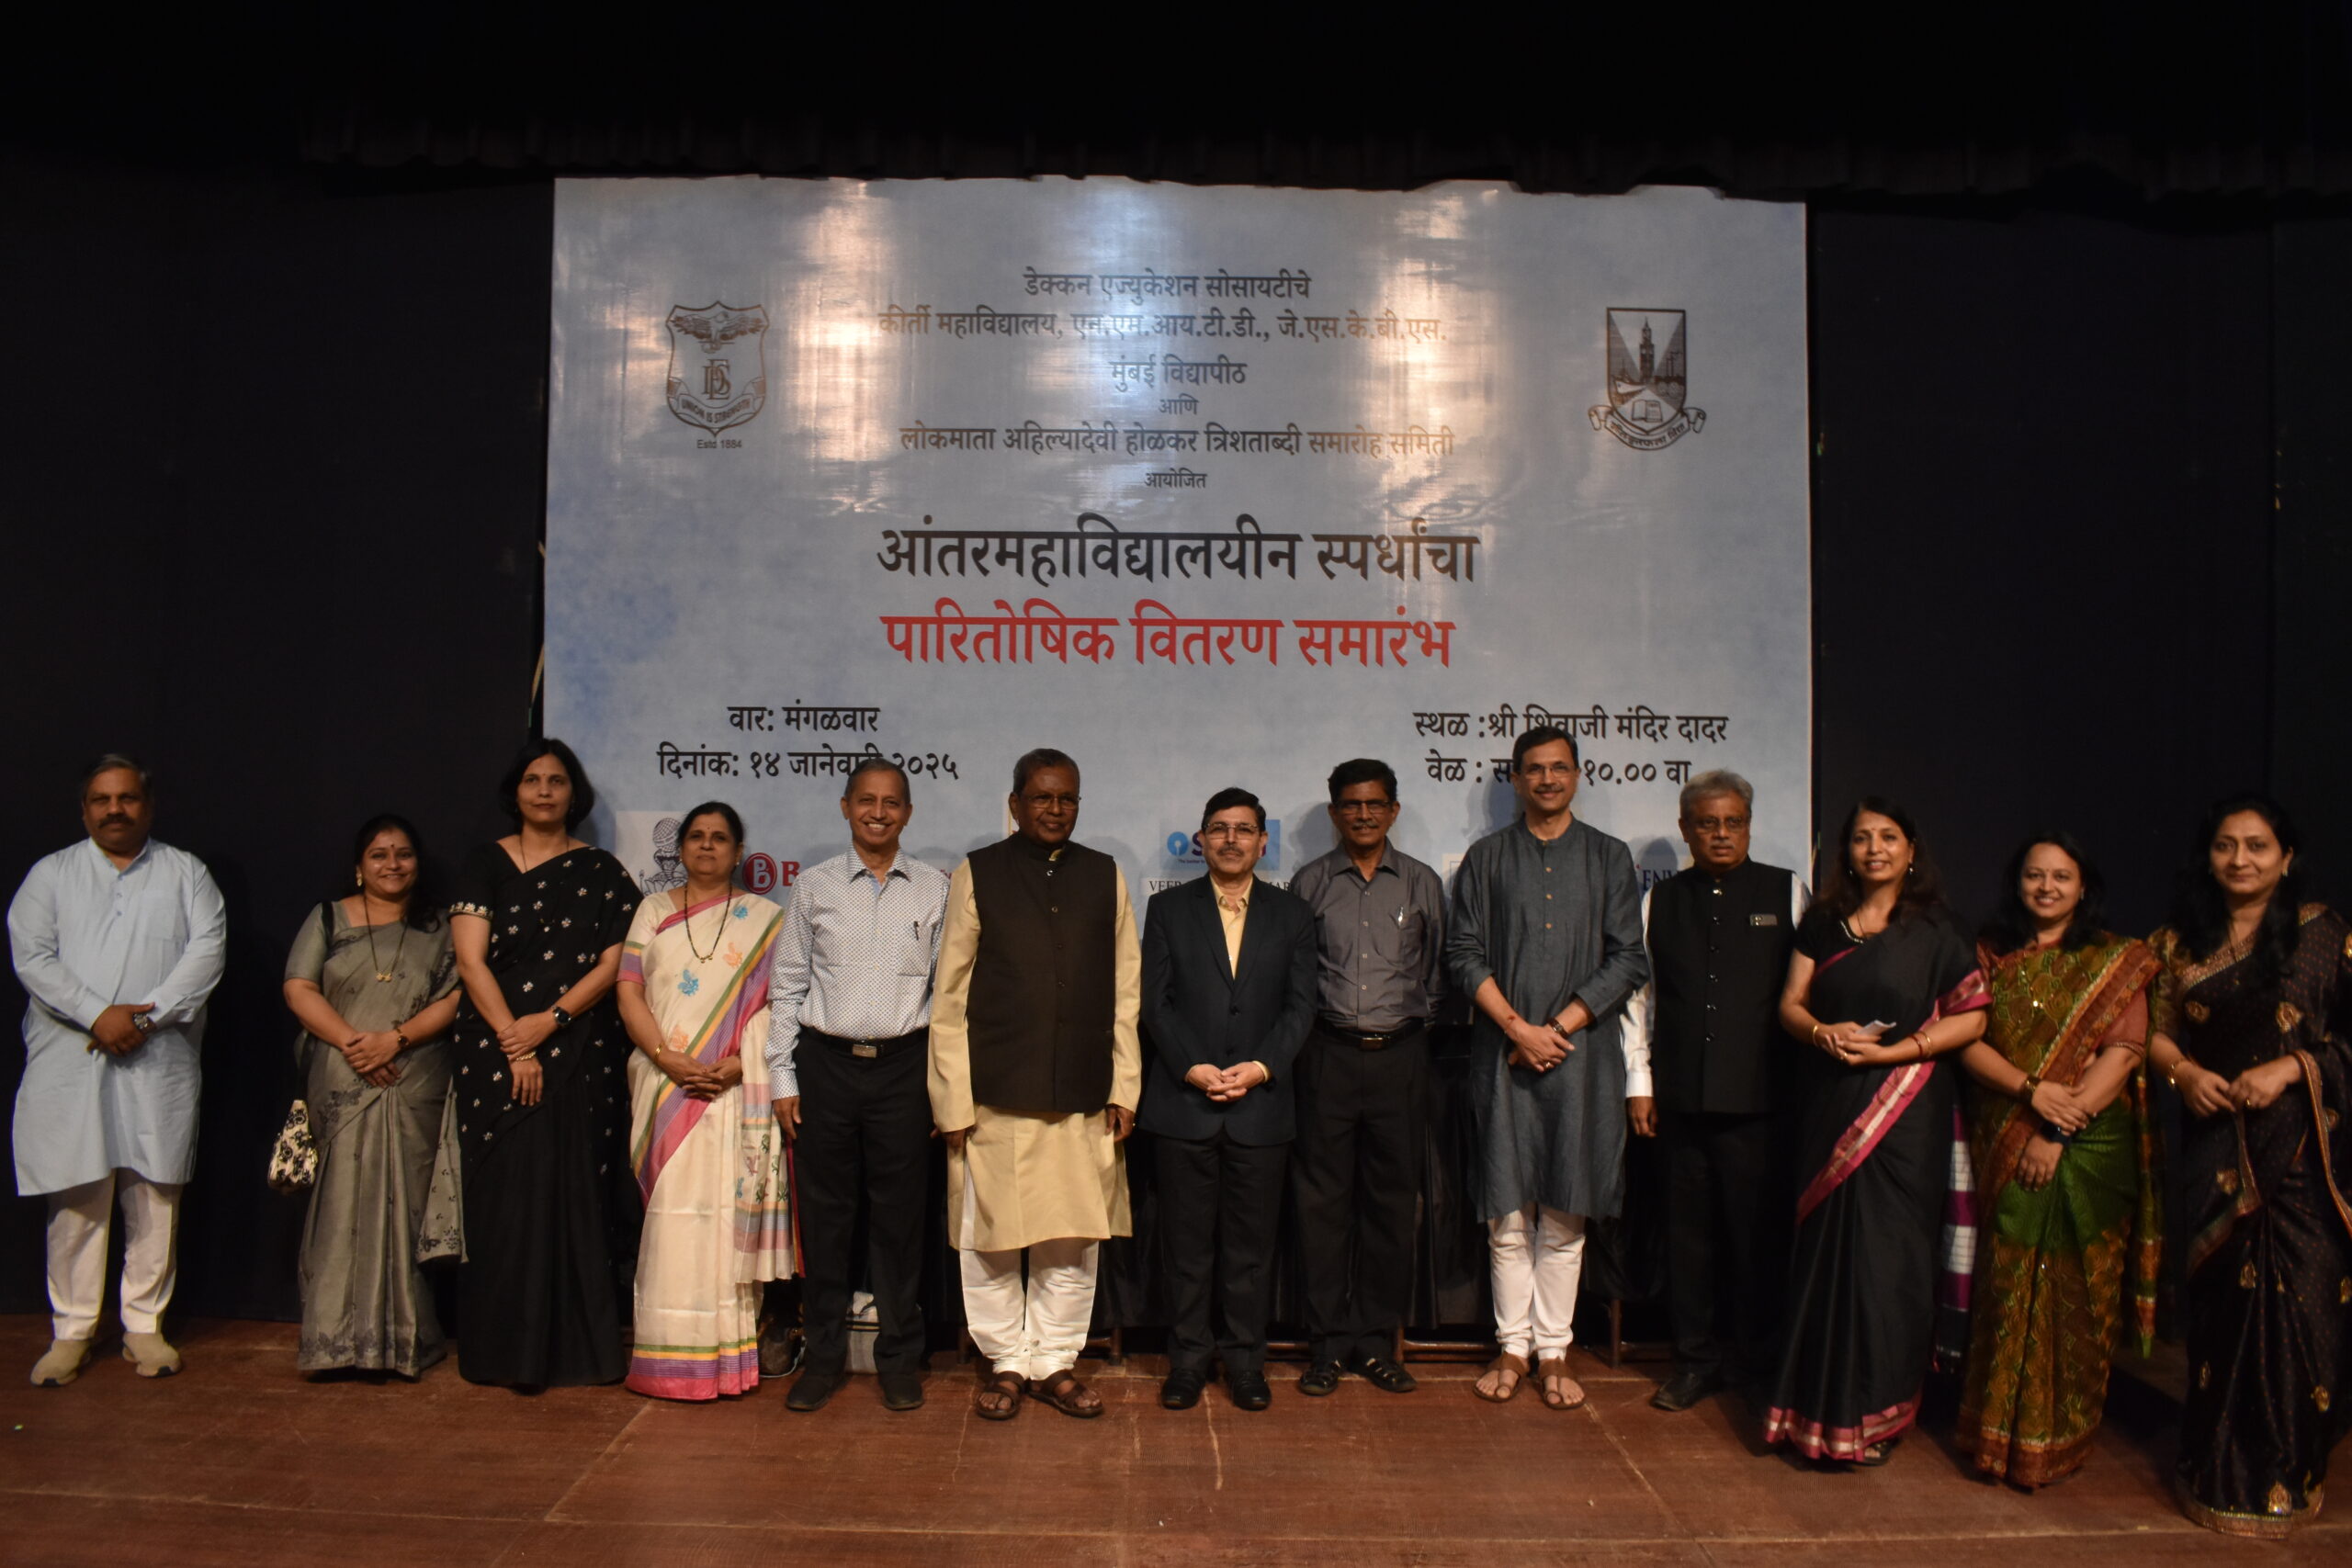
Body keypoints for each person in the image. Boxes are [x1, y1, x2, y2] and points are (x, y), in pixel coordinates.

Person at [2145, 796, 2350, 1537]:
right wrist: (2185, 1075)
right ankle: (2218, 1472)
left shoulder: (2325, 935)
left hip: (2303, 1153)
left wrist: (2293, 1068)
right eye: (2226, 845)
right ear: (2209, 857)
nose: (2241, 859)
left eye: (2258, 846)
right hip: (2217, 1147)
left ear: (2286, 858)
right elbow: (2155, 1035)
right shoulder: (2176, 943)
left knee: (2304, 1313)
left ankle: (2288, 1475)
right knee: (2224, 1317)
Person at [1768, 796, 1988, 1466]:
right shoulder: (1823, 922)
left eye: (1888, 837)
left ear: (1911, 849)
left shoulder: (1939, 930)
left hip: (1907, 1114)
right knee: (1826, 1257)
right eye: (1863, 838)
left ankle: (1877, 1414)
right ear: (1848, 851)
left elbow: (1972, 1017)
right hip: (1831, 1100)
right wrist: (1821, 1033)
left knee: (1891, 1263)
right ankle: (1813, 1413)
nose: (1875, 849)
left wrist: (1898, 1052)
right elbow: (1790, 1005)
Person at [929, 748, 1141, 1421]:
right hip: (994, 1093)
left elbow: (1126, 991)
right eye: (1042, 797)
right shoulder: (979, 872)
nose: (1055, 809)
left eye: (1067, 798)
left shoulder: (1104, 875)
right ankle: (1006, 1360)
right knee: (992, 1237)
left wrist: (1125, 1087)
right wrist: (951, 1099)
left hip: (1082, 1092)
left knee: (1071, 1238)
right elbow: (949, 997)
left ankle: (1054, 1361)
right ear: (1015, 803)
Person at [1447, 726, 1650, 1411]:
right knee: (1506, 1209)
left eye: (1559, 768)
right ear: (1516, 778)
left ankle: (1555, 1347)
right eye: (1534, 769)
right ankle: (1513, 1345)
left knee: (1566, 1204)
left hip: (1580, 1058)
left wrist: (1555, 1029)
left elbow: (1629, 958)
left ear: (1577, 775)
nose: (1547, 779)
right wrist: (1518, 1029)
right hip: (1502, 1054)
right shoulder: (1486, 858)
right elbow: (1462, 955)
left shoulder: (1608, 856)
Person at [1952, 830, 2159, 1488]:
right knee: (2008, 1285)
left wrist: (2057, 1132)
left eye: (2061, 877)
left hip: (2087, 1144)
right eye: (2035, 875)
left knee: (2077, 1293)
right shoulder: (1989, 954)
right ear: (2018, 882)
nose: (2046, 887)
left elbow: (2122, 1055)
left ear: (2083, 886)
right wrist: (2030, 1091)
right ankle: (1996, 1438)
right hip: (2006, 1129)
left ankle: (2058, 1438)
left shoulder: (2114, 960)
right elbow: (1966, 1041)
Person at [12, 756, 225, 1385]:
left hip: (158, 1058)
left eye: (127, 798)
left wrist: (143, 1020)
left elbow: (206, 954)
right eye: (102, 799)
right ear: (84, 810)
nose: (115, 810)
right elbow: (33, 956)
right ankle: (73, 1329)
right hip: (72, 1057)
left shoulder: (186, 873)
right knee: (77, 1195)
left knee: (154, 1192)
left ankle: (143, 1325)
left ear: (148, 806)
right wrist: (96, 1014)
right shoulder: (51, 875)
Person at [447, 739, 641, 1388]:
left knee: (575, 1192)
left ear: (573, 793)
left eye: (557, 780)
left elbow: (614, 963)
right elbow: (470, 960)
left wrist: (551, 1020)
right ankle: (504, 1352)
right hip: (495, 1052)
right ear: (516, 791)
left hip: (580, 1050)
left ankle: (579, 1353)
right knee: (508, 1199)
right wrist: (516, 1040)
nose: (544, 791)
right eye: (533, 780)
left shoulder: (602, 871)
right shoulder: (485, 863)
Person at [1621, 769, 1807, 1413]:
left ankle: (1757, 1364)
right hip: (1680, 1103)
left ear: (1748, 826)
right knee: (1687, 1243)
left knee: (1757, 1243)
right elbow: (1640, 1000)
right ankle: (1694, 1363)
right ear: (1685, 829)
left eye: (1733, 822)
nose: (1721, 833)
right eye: (1707, 823)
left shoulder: (1788, 892)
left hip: (1763, 1104)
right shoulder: (1660, 901)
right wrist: (1639, 1083)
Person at [766, 760, 950, 1414]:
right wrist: (782, 1075)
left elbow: (947, 998)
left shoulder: (936, 889)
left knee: (901, 1221)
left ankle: (899, 1358)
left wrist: (944, 1088)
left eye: (891, 802)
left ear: (908, 813)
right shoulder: (813, 887)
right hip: (826, 1067)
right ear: (845, 807)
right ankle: (822, 1360)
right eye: (866, 800)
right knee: (827, 1220)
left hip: (905, 1068)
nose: (878, 812)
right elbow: (787, 987)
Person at [1140, 787, 1317, 1412]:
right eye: (1219, 828)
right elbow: (1154, 1002)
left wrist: (1261, 1068)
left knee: (1251, 1252)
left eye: (1244, 829)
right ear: (1201, 840)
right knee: (1186, 1249)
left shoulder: (1293, 914)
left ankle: (1245, 1362)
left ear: (1263, 842)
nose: (1231, 839)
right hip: (1183, 1106)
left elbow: (1300, 1007)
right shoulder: (1167, 909)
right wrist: (1192, 1068)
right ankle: (1188, 1362)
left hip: (1260, 1109)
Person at [615, 800, 791, 1401]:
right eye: (696, 836)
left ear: (739, 852)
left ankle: (726, 1361)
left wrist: (739, 1064)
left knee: (723, 1222)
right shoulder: (652, 911)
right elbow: (629, 991)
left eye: (719, 837)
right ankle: (665, 1354)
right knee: (671, 1224)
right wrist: (665, 1057)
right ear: (681, 848)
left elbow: (781, 1007)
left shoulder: (767, 920)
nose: (707, 845)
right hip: (666, 1086)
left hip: (733, 1092)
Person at [281, 814, 462, 1378]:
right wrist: (354, 1042)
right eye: (379, 855)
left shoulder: (442, 926)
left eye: (403, 854)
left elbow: (459, 995)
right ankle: (333, 1343)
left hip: (413, 1077)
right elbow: (298, 987)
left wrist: (396, 1040)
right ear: (359, 867)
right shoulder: (328, 917)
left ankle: (404, 1341)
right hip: (343, 1075)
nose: (392, 864)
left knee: (406, 1207)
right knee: (341, 1206)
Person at [1287, 758, 1447, 1398]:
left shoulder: (1422, 882)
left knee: (1390, 1204)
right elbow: (1296, 977)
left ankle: (1377, 1343)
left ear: (1393, 810)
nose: (1363, 815)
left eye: (1374, 804)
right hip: (1325, 1054)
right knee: (1321, 1206)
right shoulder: (1308, 883)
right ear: (1334, 813)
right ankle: (1326, 1346)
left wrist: (1409, 1035)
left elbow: (1436, 975)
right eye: (1350, 805)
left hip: (1400, 1059)